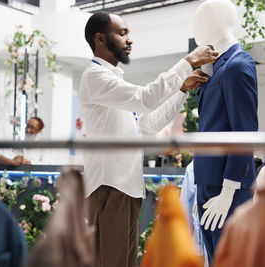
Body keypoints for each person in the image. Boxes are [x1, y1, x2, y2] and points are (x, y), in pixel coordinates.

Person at [79, 12, 218, 267]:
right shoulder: (95, 76)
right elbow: (146, 99)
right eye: (122, 33)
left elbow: (149, 123)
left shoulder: (113, 81)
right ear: (100, 39)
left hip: (127, 189)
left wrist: (182, 90)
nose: (129, 40)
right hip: (110, 188)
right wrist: (187, 62)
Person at [192, 0, 258, 262]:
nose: (194, 27)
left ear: (214, 21)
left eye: (198, 20)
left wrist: (228, 190)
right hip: (208, 183)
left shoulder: (237, 65)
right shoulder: (216, 68)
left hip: (226, 186)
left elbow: (245, 131)